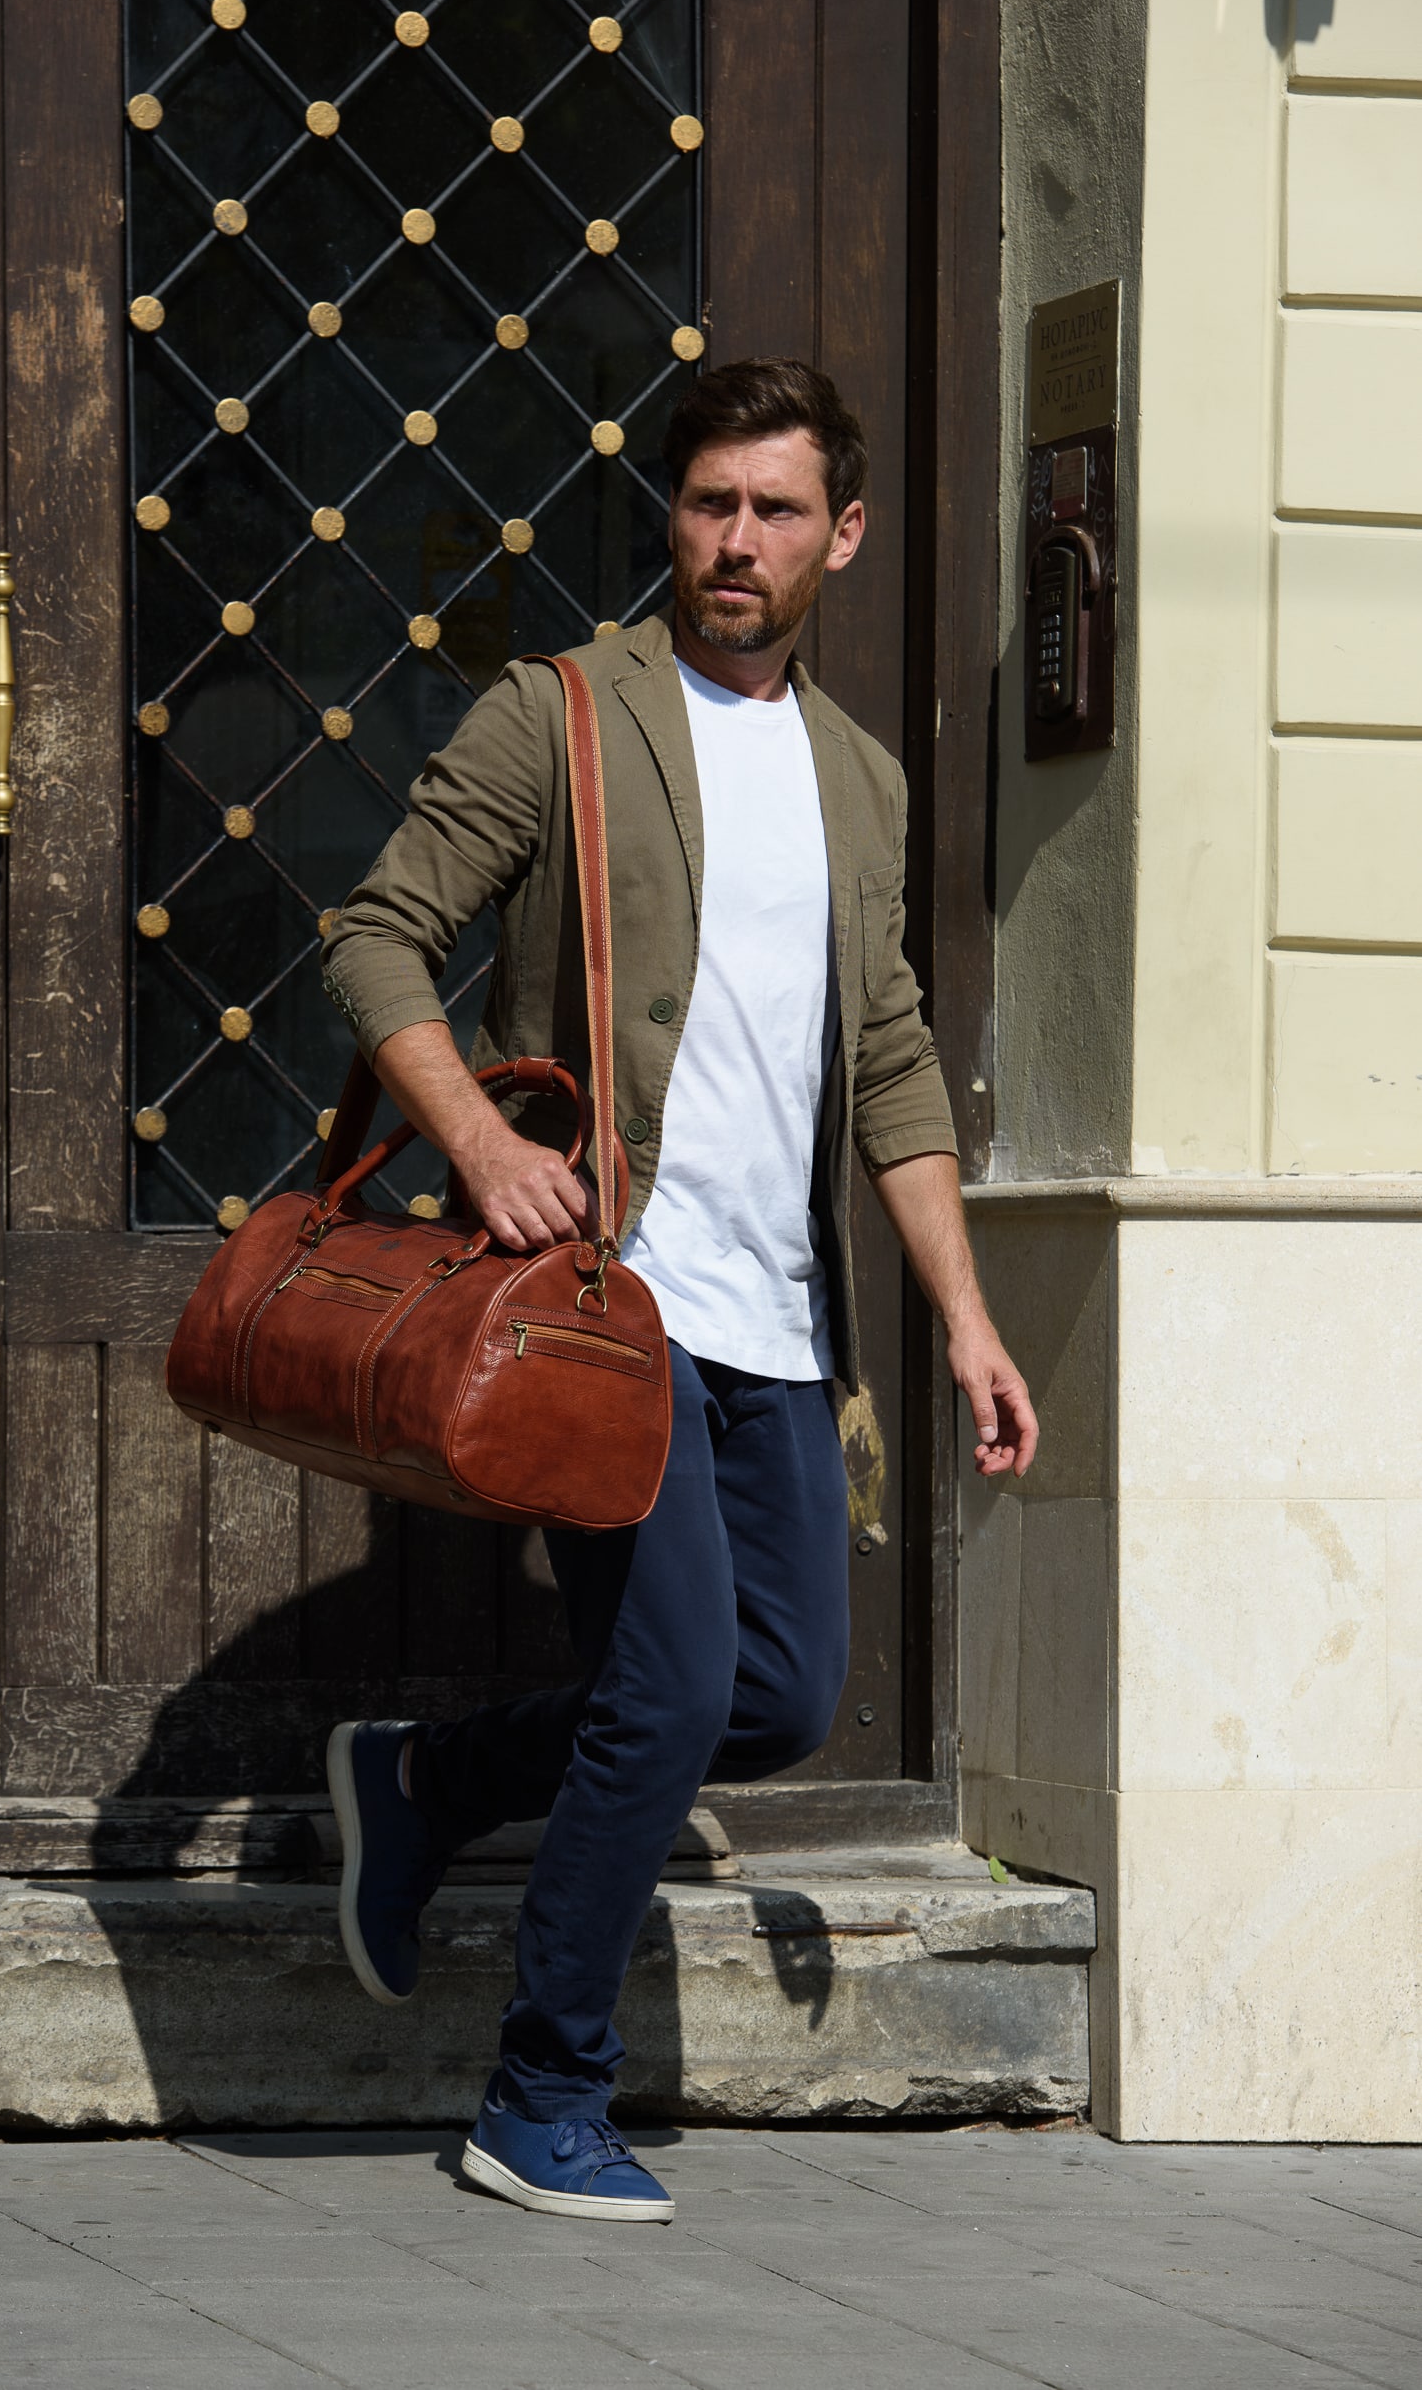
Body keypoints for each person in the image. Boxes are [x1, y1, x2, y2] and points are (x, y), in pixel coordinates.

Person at [320, 357, 1038, 2224]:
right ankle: (537, 2092)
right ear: (672, 515)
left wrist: (962, 1317)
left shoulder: (859, 777)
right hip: (604, 1303)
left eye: (774, 509)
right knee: (664, 1682)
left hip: (777, 1317)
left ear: (840, 535)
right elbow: (375, 935)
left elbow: (889, 1059)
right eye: (709, 502)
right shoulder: (561, 712)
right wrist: (481, 1144)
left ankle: (431, 1780)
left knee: (777, 1695)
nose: (736, 540)